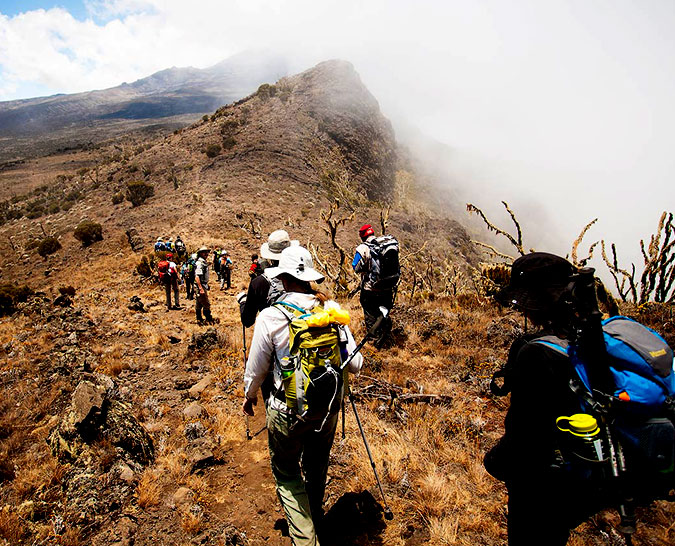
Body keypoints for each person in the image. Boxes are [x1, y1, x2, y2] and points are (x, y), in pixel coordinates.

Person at [484, 252, 608, 545]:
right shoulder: (589, 337)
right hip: (583, 470)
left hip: (541, 481)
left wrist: (496, 461)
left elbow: (525, 433)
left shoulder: (537, 353)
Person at [242, 245, 363, 546]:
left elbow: (256, 368)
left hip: (287, 409)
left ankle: (305, 537)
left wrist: (249, 395)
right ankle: (315, 517)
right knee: (316, 464)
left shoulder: (271, 316)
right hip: (328, 408)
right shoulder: (330, 311)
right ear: (308, 277)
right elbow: (356, 364)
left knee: (286, 473)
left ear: (282, 279)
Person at [352, 224, 393, 348]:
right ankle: (384, 331)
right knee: (383, 310)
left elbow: (356, 267)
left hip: (371, 288)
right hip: (387, 286)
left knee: (369, 311)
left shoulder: (363, 248)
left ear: (362, 236)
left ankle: (373, 341)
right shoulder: (385, 244)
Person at [194, 246, 215, 325]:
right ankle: (209, 319)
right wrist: (201, 288)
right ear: (200, 253)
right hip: (200, 286)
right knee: (206, 303)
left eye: (207, 252)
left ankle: (199, 320)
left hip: (202, 285)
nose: (206, 254)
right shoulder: (200, 263)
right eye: (204, 252)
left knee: (199, 303)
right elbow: (197, 276)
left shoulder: (203, 262)